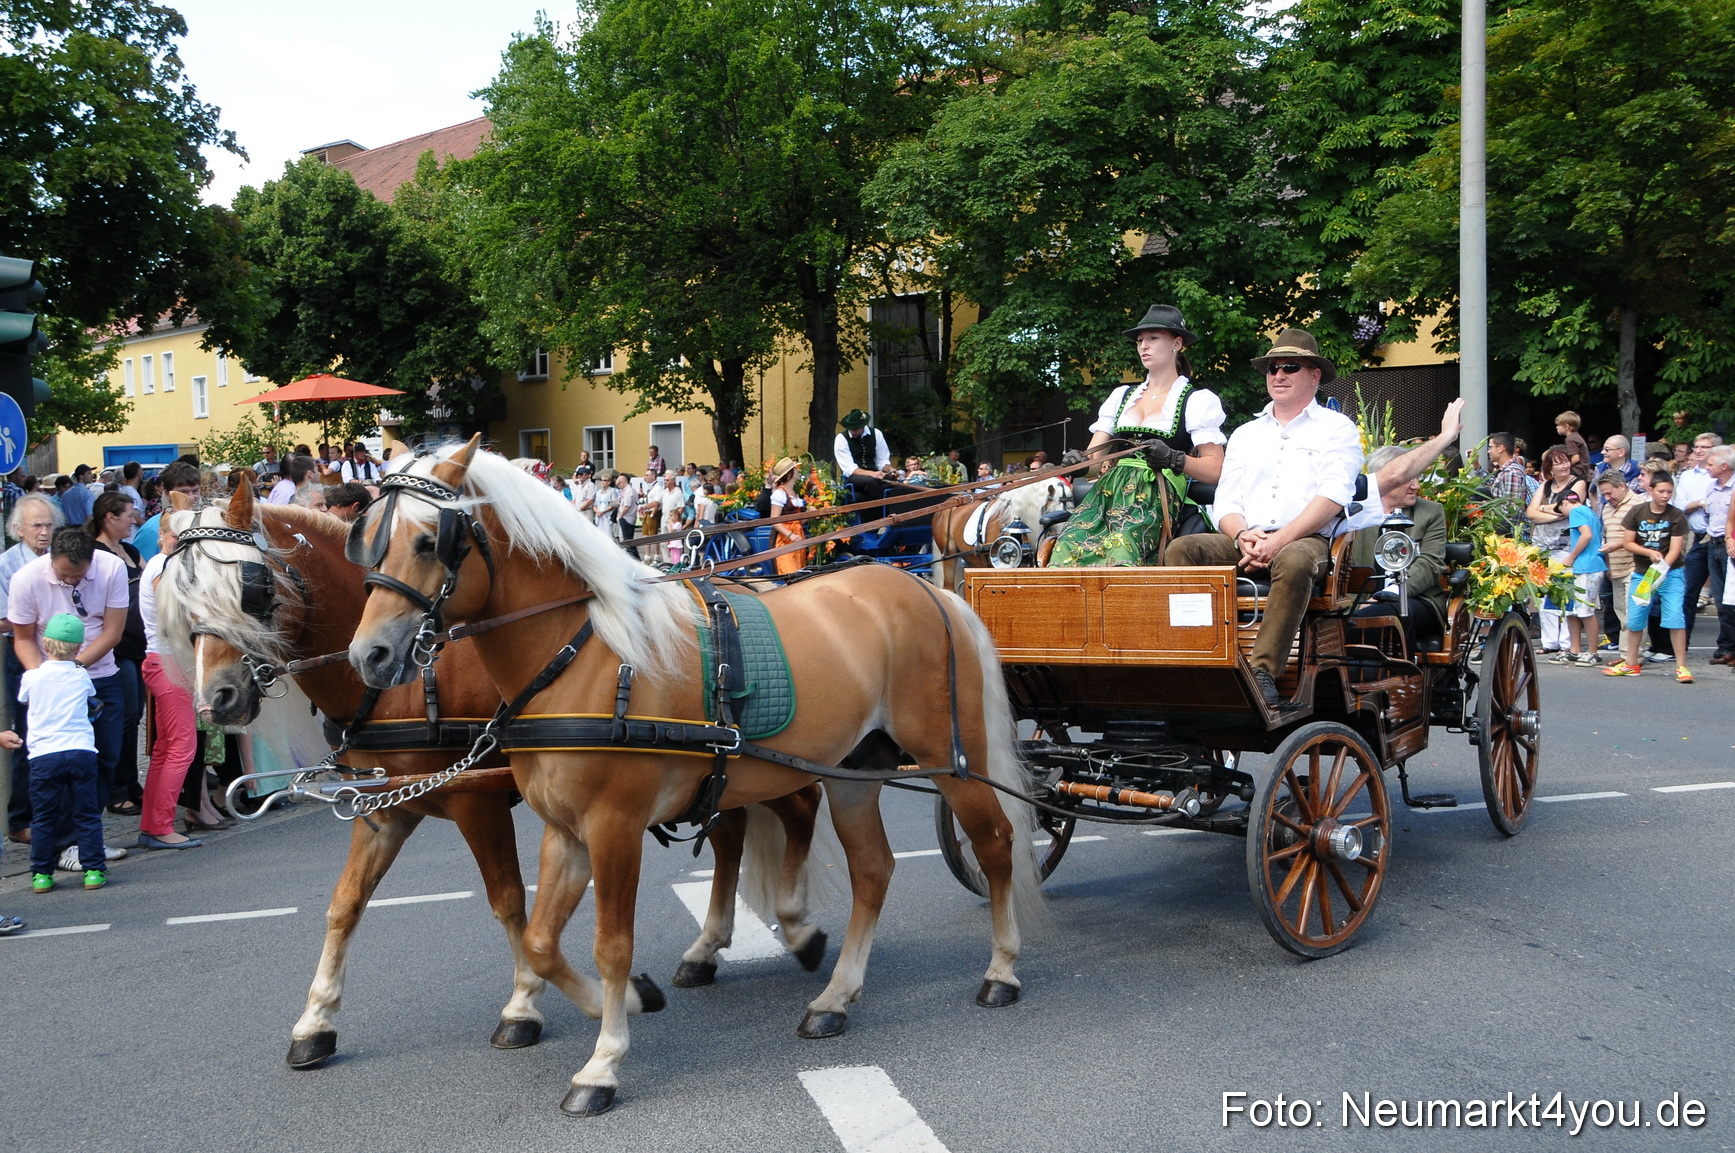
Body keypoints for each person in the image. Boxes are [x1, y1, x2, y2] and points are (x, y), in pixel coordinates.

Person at [1166, 327, 1362, 707]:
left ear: (1314, 375)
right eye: (1272, 368)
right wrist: (1243, 537)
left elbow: (1334, 496)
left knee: (1292, 559)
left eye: (1291, 366)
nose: (1279, 375)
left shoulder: (1337, 428)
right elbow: (1226, 500)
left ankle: (1263, 671)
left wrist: (1279, 539)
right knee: (1183, 549)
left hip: (1306, 540)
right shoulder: (1245, 433)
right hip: (1246, 538)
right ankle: (1194, 657)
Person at [1051, 303, 1227, 566]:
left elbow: (1215, 469)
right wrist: (1078, 464)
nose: (1143, 345)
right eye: (1140, 340)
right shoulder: (1121, 396)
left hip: (1157, 495)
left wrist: (1173, 459)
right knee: (1065, 545)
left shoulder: (1198, 400)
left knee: (1122, 548)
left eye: (1153, 338)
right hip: (1108, 494)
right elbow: (1095, 463)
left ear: (1177, 343)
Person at [9, 527, 131, 873]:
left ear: (91, 563)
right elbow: (22, 637)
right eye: (64, 575)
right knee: (55, 761)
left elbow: (113, 631)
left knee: (104, 756)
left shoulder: (110, 568)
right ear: (51, 561)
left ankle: (86, 838)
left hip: (99, 673)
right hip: (50, 678)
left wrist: (75, 668)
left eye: (78, 577)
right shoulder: (26, 579)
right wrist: (46, 678)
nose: (71, 582)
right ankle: (66, 843)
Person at [20, 613, 106, 893]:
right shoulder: (81, 675)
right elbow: (90, 696)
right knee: (87, 814)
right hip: (81, 750)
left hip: (44, 754)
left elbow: (23, 698)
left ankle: (41, 875)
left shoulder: (32, 677)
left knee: (44, 817)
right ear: (79, 648)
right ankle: (93, 870)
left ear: (45, 644)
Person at [135, 511, 201, 850]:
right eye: (177, 534)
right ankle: (159, 826)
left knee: (166, 749)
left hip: (163, 659)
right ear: (162, 534)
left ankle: (154, 824)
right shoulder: (164, 565)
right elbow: (171, 611)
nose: (183, 541)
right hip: (168, 660)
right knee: (181, 747)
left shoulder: (162, 563)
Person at [2, 493, 62, 844]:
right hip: (25, 654)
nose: (44, 532)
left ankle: (53, 813)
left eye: (49, 525)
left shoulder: (58, 557)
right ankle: (21, 819)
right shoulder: (8, 565)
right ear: (18, 529)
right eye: (36, 525)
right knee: (28, 736)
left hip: (62, 657)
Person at [89, 493, 147, 813]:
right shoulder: (96, 553)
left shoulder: (130, 550)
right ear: (110, 518)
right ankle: (117, 788)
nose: (133, 519)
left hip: (137, 645)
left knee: (134, 715)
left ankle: (131, 781)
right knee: (123, 717)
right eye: (128, 514)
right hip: (117, 646)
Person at [1606, 473, 1692, 682]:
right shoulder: (1639, 511)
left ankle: (1681, 666)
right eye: (1661, 491)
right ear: (1650, 490)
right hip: (1642, 572)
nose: (1665, 496)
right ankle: (1631, 663)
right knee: (1635, 618)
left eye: (1669, 492)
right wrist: (1648, 553)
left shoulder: (1676, 515)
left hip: (1671, 573)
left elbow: (1676, 548)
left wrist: (1662, 566)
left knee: (1674, 616)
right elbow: (1628, 542)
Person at [1527, 447, 1588, 654]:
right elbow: (1531, 513)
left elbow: (1568, 509)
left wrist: (1544, 510)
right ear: (1549, 469)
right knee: (1544, 594)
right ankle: (1549, 641)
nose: (1564, 465)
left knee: (1564, 594)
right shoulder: (1545, 485)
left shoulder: (1577, 483)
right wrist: (1552, 512)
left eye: (1565, 461)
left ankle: (1566, 642)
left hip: (1565, 545)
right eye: (1559, 463)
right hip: (1543, 546)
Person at [1670, 433, 1720, 652]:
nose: (1698, 450)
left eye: (1705, 447)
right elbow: (1679, 506)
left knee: (1724, 594)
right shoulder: (1688, 476)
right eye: (1696, 447)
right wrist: (1700, 502)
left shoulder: (1722, 474)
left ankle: (1727, 647)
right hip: (1699, 538)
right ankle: (1682, 645)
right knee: (1688, 592)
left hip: (1720, 538)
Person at [1555, 491, 1606, 665]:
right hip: (1586, 565)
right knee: (1574, 610)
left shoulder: (1576, 512)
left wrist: (1571, 556)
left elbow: (1586, 535)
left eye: (1561, 509)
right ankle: (1575, 649)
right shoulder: (1589, 511)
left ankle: (1593, 651)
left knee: (1585, 610)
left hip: (1586, 565)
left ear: (1564, 503)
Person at [1596, 470, 1642, 649]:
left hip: (1635, 567)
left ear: (1622, 486)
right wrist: (1608, 565)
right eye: (1603, 494)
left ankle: (1632, 655)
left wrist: (1618, 545)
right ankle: (1625, 654)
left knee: (1634, 614)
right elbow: (1607, 538)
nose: (1607, 498)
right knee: (1621, 613)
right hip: (1615, 568)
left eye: (1610, 493)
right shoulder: (1607, 508)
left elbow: (1644, 536)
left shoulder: (1638, 505)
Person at [132, 461, 201, 563]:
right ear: (168, 494)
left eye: (195, 491)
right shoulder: (151, 530)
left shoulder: (203, 522)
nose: (191, 497)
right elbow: (144, 571)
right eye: (184, 492)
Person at [1703, 446, 1735, 666]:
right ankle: (1726, 647)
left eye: (1710, 464)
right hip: (1714, 543)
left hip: (1729, 548)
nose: (1706, 467)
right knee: (1722, 601)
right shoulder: (1711, 487)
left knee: (1732, 601)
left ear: (1724, 466)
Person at [768, 457, 809, 575]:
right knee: (789, 570)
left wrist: (809, 514)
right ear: (790, 474)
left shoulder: (795, 495)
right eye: (795, 469)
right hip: (784, 538)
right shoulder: (779, 494)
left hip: (798, 536)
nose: (798, 471)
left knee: (799, 570)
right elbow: (775, 520)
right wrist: (790, 534)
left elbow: (799, 522)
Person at [59, 464, 95, 530]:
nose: (92, 476)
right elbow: (89, 516)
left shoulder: (65, 494)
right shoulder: (87, 493)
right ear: (81, 476)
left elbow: (63, 516)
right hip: (83, 528)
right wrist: (81, 530)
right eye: (89, 473)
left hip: (68, 529)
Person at [614, 472, 640, 551]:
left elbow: (626, 506)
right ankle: (635, 558)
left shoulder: (629, 491)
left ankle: (633, 558)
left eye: (618, 484)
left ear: (622, 482)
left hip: (626, 518)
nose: (618, 486)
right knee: (628, 541)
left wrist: (620, 516)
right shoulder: (625, 491)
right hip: (626, 517)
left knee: (627, 541)